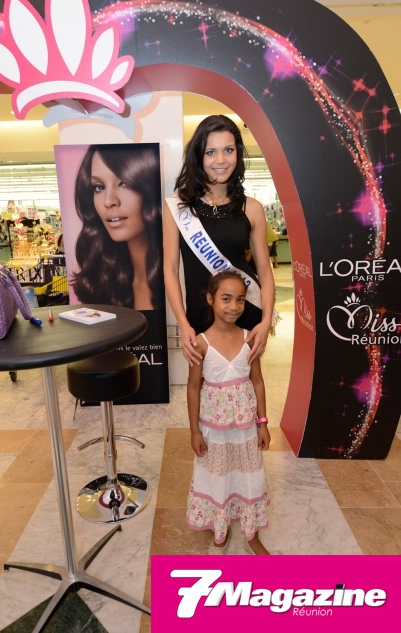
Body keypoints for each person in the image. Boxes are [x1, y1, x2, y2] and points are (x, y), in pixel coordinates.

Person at [163, 114, 275, 366]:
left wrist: (266, 321)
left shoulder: (252, 208)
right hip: (199, 315)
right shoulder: (177, 208)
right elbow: (170, 270)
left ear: (238, 153)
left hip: (244, 310)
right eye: (211, 152)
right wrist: (183, 323)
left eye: (228, 150)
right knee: (200, 384)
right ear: (198, 156)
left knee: (246, 381)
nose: (221, 160)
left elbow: (265, 272)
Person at [186, 271, 271, 555]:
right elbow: (193, 387)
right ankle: (220, 532)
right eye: (226, 298)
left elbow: (257, 382)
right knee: (218, 478)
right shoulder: (200, 343)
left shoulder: (250, 339)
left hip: (246, 428)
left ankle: (251, 532)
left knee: (249, 477)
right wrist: (195, 431)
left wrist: (262, 423)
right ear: (211, 299)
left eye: (240, 300)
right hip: (215, 430)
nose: (234, 306)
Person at [72, 143, 164, 310]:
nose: (108, 201)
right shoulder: (101, 281)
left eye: (125, 184)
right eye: (99, 187)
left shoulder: (175, 275)